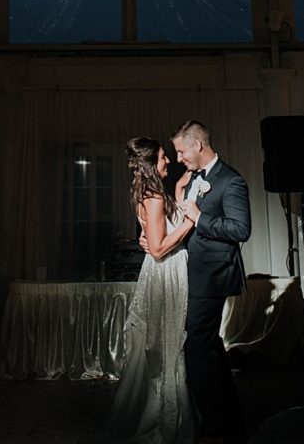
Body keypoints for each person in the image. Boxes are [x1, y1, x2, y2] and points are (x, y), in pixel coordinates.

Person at [102, 136, 196, 444]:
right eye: (162, 158)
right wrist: (190, 223)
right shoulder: (154, 197)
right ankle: (169, 423)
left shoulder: (148, 192)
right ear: (150, 165)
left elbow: (151, 237)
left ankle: (171, 413)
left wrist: (181, 189)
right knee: (168, 346)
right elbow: (157, 250)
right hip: (165, 273)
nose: (168, 160)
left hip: (162, 272)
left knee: (165, 343)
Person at [171, 119, 251, 444]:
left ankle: (214, 427)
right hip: (193, 273)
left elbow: (240, 230)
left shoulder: (231, 181)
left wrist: (200, 218)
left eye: (180, 151)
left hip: (213, 276)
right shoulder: (192, 179)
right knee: (209, 346)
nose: (179, 158)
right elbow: (186, 220)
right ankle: (229, 419)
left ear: (197, 146)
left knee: (197, 346)